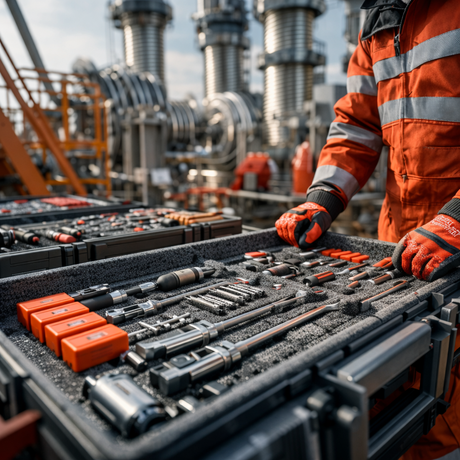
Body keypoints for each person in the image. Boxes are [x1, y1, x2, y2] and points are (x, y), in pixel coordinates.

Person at [275, 0, 460, 459]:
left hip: (454, 238)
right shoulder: (377, 25)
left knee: (449, 402)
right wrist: (322, 198)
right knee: (401, 386)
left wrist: (456, 218)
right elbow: (357, 125)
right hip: (403, 245)